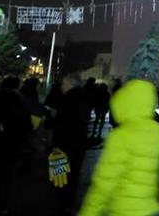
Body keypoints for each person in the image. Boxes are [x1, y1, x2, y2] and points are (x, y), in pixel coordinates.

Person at [79, 80, 159, 216]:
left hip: (125, 209)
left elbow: (106, 181)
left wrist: (89, 211)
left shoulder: (122, 135)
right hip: (154, 208)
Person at [0, 77, 32, 215]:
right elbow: (27, 126)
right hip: (10, 146)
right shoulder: (20, 102)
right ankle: (2, 206)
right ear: (16, 86)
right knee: (5, 178)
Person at [52, 74, 90, 213]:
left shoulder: (67, 100)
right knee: (73, 176)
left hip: (63, 144)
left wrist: (52, 118)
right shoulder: (84, 98)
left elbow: (61, 123)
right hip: (78, 144)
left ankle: (59, 204)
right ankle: (68, 204)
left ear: (70, 85)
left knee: (60, 177)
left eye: (63, 84)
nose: (62, 86)